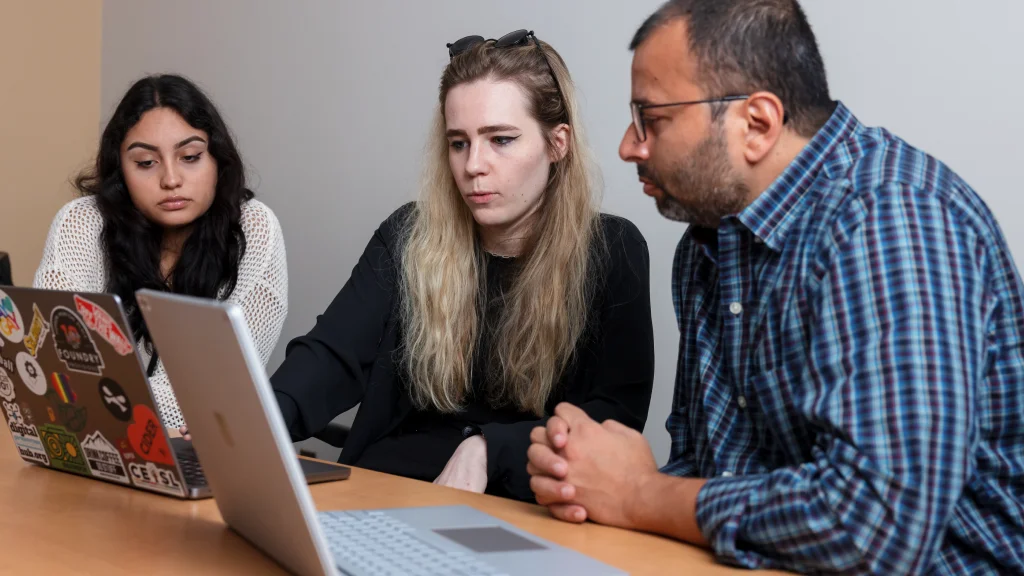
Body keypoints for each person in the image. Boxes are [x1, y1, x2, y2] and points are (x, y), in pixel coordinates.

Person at [526, 1, 1024, 574]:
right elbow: (710, 476)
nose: (629, 146)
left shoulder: (892, 219)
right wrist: (584, 480)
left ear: (758, 123)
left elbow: (878, 528)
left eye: (652, 119)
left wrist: (638, 494)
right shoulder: (706, 246)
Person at [269, 30, 655, 501]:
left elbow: (615, 418)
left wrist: (490, 448)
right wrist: (251, 420)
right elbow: (331, 357)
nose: (474, 165)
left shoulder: (613, 251)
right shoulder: (408, 234)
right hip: (390, 492)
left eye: (501, 140)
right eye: (459, 143)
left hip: (526, 507)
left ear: (558, 143)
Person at [35, 74, 289, 429]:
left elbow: (216, 387)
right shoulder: (83, 222)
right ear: (120, 171)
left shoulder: (253, 230)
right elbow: (53, 353)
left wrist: (102, 405)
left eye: (190, 156)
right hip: (92, 443)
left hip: (199, 452)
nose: (171, 179)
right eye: (145, 163)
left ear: (217, 159)